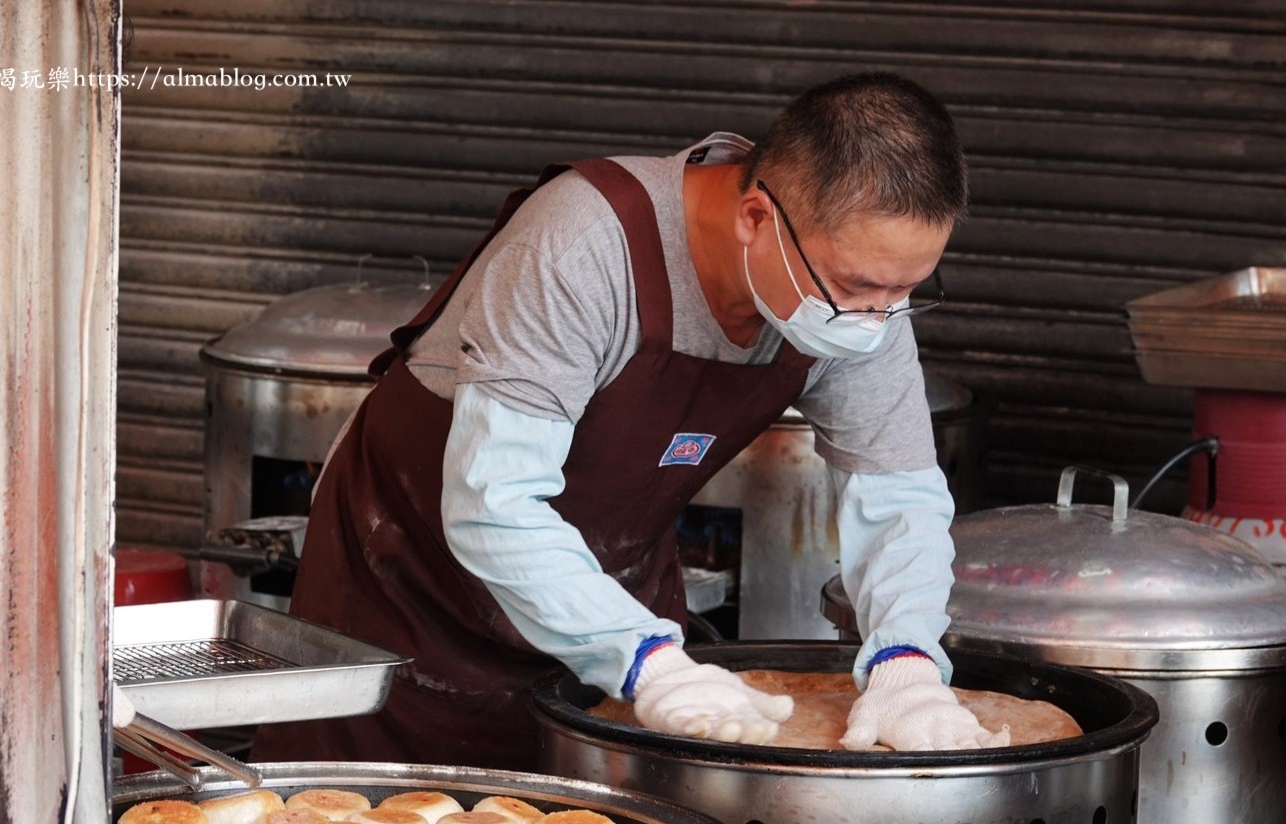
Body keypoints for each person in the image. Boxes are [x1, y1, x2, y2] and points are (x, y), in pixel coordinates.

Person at [253, 71, 1009, 772]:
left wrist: (906, 661)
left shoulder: (856, 292)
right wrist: (645, 658)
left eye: (908, 288)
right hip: (408, 598)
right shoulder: (584, 245)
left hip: (610, 598)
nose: (877, 317)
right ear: (755, 218)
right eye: (860, 287)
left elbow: (897, 495)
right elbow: (495, 503)